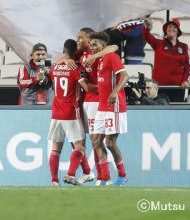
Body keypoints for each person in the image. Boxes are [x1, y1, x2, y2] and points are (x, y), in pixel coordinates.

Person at [47, 39, 94, 186]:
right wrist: (103, 88)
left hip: (56, 112)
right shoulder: (76, 68)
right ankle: (70, 174)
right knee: (79, 146)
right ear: (75, 52)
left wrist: (64, 60)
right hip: (71, 112)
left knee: (56, 149)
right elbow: (86, 87)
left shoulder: (55, 68)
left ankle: (55, 181)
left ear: (64, 51)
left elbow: (53, 67)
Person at [89, 31, 129, 186]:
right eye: (91, 44)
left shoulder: (111, 57)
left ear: (104, 45)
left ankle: (122, 175)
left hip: (114, 105)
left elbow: (125, 76)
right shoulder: (99, 60)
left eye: (95, 44)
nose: (92, 47)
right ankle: (105, 177)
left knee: (110, 142)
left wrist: (114, 91)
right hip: (102, 106)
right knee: (95, 141)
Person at [143, 18, 190, 102]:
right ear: (166, 30)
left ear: (178, 31)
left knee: (176, 113)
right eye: (169, 27)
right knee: (161, 113)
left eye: (174, 27)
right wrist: (146, 28)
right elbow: (146, 36)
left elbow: (187, 66)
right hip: (161, 87)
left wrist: (185, 80)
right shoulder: (158, 44)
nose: (171, 28)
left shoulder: (184, 46)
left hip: (178, 87)